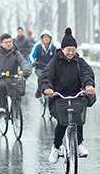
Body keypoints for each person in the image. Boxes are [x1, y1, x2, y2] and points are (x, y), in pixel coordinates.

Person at [40, 28, 96, 163]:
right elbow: (46, 75)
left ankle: (79, 143)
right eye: (68, 50)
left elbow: (87, 73)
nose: (71, 53)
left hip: (77, 95)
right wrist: (47, 88)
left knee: (78, 117)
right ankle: (56, 147)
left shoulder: (79, 62)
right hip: (59, 97)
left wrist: (89, 86)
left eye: (73, 49)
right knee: (63, 122)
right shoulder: (55, 62)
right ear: (62, 49)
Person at [0, 33, 32, 117]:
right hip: (0, 77)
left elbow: (23, 62)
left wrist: (26, 70)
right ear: (1, 43)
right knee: (2, 86)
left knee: (18, 87)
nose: (9, 44)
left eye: (10, 41)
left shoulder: (15, 53)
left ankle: (16, 107)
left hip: (13, 76)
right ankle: (1, 108)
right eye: (6, 42)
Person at [28, 30, 57, 98]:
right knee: (42, 76)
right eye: (44, 37)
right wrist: (33, 62)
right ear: (42, 39)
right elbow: (31, 56)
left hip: (50, 67)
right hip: (40, 67)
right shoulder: (38, 46)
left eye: (48, 37)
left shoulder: (53, 48)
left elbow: (57, 57)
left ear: (50, 39)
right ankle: (39, 90)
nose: (46, 39)